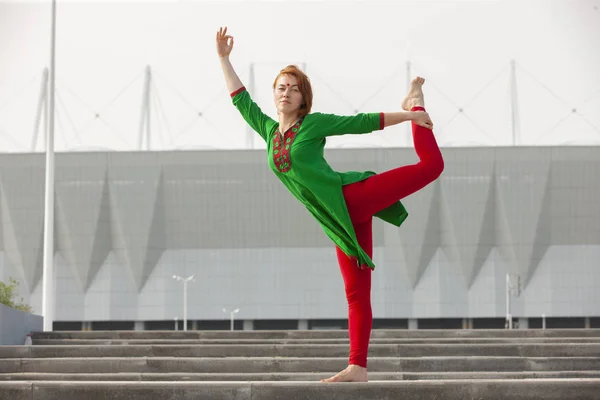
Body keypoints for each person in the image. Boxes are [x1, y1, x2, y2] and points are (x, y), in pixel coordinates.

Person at [216, 26, 444, 382]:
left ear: (303, 99)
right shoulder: (269, 132)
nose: (286, 92)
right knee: (356, 293)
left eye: (293, 88)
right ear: (275, 96)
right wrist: (224, 59)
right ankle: (358, 367)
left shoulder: (313, 124)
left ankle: (415, 98)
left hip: (353, 196)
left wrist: (412, 116)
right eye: (281, 87)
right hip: (339, 221)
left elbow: (361, 122)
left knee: (431, 166)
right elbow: (240, 100)